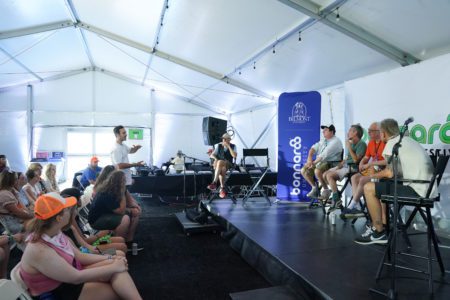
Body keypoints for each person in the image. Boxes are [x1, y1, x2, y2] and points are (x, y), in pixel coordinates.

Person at [19, 192, 142, 299]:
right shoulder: (40, 249)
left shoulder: (55, 232)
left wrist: (110, 258)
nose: (73, 210)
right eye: (68, 209)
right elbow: (78, 270)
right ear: (58, 217)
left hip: (82, 260)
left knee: (118, 252)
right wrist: (103, 244)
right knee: (119, 256)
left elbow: (80, 254)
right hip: (64, 286)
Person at [354, 119, 437, 245]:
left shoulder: (393, 143)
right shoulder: (407, 139)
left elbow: (390, 173)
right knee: (382, 185)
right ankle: (383, 223)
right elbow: (397, 171)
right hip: (427, 188)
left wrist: (372, 175)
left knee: (368, 187)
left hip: (418, 190)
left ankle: (379, 231)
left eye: (380, 132)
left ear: (384, 133)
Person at [342, 122, 386, 217]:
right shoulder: (370, 143)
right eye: (369, 131)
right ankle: (356, 206)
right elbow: (366, 158)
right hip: (371, 169)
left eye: (371, 131)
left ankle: (351, 206)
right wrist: (362, 163)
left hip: (381, 171)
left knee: (361, 179)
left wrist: (368, 164)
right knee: (354, 178)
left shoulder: (384, 143)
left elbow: (386, 162)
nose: (369, 132)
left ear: (379, 132)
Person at [88, 171, 140, 249]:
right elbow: (121, 211)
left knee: (135, 212)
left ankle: (128, 241)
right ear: (120, 182)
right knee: (125, 219)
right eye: (124, 180)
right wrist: (123, 192)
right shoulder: (106, 192)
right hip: (97, 220)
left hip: (107, 214)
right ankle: (117, 243)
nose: (126, 182)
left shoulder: (113, 189)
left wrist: (135, 206)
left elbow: (129, 203)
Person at [321, 124, 367, 209]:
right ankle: (336, 193)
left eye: (350, 131)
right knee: (324, 174)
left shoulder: (361, 144)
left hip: (353, 168)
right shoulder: (351, 143)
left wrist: (349, 147)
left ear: (355, 132)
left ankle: (336, 199)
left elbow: (356, 160)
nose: (348, 133)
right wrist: (337, 167)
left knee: (329, 175)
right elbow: (346, 159)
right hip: (345, 166)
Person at [300, 124, 343, 198]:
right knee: (304, 170)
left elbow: (324, 155)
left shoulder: (336, 141)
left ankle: (326, 190)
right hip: (321, 162)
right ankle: (314, 188)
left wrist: (313, 163)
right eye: (323, 130)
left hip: (332, 164)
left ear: (332, 132)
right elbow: (313, 148)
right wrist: (309, 158)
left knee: (317, 170)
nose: (323, 132)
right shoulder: (324, 140)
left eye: (325, 130)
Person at [0, 170, 34, 234]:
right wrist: (32, 215)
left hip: (15, 219)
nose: (17, 181)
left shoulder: (11, 191)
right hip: (10, 223)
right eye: (16, 179)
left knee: (35, 221)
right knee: (35, 223)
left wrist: (30, 213)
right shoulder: (4, 194)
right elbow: (17, 212)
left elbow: (21, 207)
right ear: (11, 180)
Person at [207, 133, 237, 198]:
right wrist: (215, 159)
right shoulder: (219, 146)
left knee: (220, 162)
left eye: (225, 139)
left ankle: (214, 182)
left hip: (229, 163)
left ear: (229, 140)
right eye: (223, 139)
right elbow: (212, 155)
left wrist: (228, 146)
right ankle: (222, 188)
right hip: (220, 165)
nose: (223, 140)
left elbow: (234, 156)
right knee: (222, 168)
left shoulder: (233, 146)